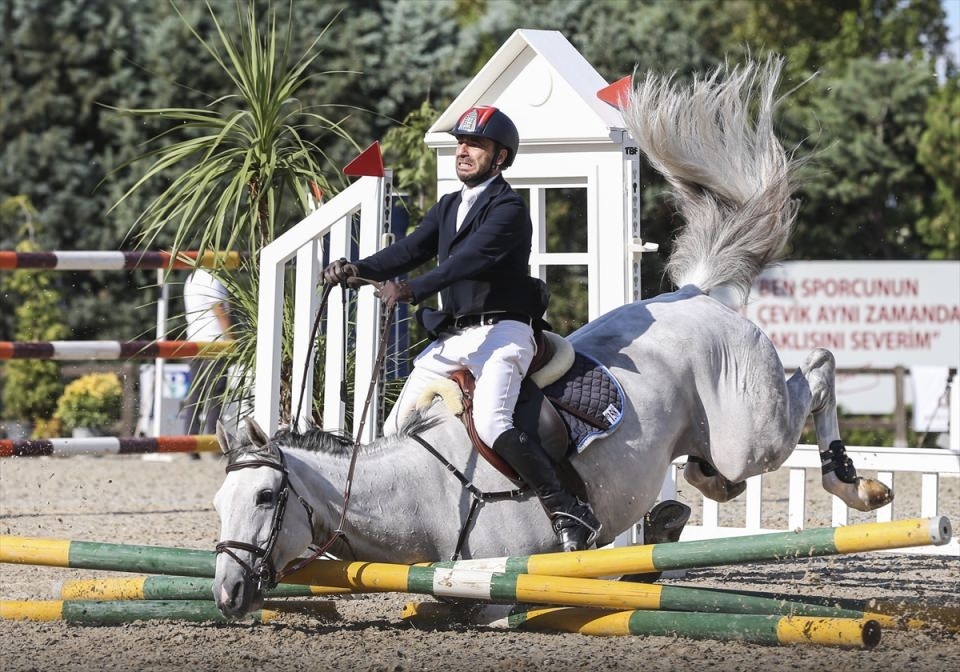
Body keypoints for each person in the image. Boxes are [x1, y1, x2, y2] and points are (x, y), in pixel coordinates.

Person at [323, 105, 601, 551]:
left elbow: (467, 262)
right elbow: (411, 249)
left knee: (492, 422)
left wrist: (411, 290)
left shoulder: (509, 209)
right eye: (461, 144)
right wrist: (358, 267)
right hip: (456, 336)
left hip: (505, 332)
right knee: (396, 428)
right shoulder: (450, 205)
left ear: (501, 157)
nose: (464, 151)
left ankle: (567, 508)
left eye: (475, 145)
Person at [180, 268, 232, 438]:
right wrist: (232, 340)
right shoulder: (211, 278)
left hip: (194, 341)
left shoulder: (191, 277)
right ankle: (214, 439)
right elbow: (220, 312)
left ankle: (189, 439)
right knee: (215, 396)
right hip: (214, 343)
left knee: (195, 395)